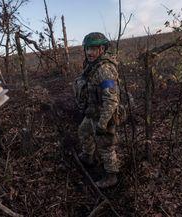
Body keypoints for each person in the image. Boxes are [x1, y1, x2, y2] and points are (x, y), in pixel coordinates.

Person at [74, 32, 120, 188]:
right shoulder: (91, 65)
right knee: (83, 132)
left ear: (102, 49)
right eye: (87, 49)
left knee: (106, 146)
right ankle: (88, 156)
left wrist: (103, 123)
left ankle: (111, 176)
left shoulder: (105, 70)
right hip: (92, 113)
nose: (89, 52)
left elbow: (111, 99)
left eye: (93, 49)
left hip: (104, 116)